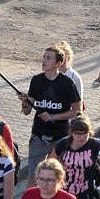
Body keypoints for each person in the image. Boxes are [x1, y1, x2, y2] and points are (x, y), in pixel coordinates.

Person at [23, 46, 81, 184]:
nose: (44, 61)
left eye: (48, 58)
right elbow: (26, 111)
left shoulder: (67, 83)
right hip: (38, 136)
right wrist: (25, 101)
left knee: (59, 176)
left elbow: (76, 111)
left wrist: (53, 117)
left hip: (60, 138)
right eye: (44, 57)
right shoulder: (36, 80)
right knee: (33, 176)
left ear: (58, 63)